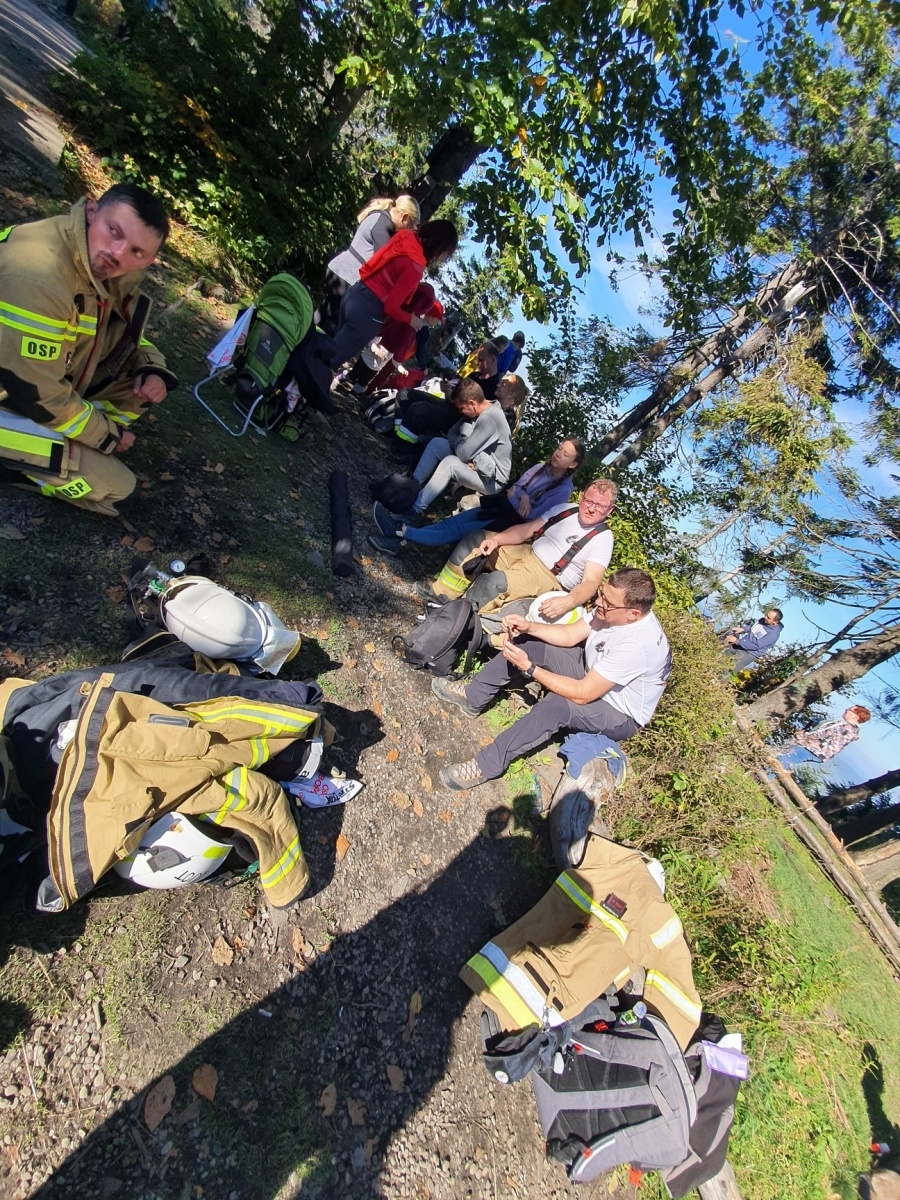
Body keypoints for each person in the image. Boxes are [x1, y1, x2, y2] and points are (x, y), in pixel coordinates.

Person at [0, 183, 176, 517]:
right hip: (26, 394)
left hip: (29, 382)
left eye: (137, 252)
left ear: (150, 260)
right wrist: (106, 436)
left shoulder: (95, 267)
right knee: (120, 493)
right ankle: (20, 465)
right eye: (114, 231)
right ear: (92, 211)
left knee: (142, 390)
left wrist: (150, 366)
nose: (119, 253)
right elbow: (42, 397)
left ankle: (58, 445)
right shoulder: (40, 275)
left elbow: (119, 334)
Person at [432, 567, 672, 790]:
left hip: (618, 712)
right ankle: (473, 697)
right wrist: (529, 627)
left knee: (557, 706)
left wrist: (530, 669)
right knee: (530, 644)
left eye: (608, 602)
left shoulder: (638, 645)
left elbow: (583, 694)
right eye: (601, 594)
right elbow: (570, 634)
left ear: (633, 614)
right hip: (592, 671)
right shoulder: (611, 612)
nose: (599, 602)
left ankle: (487, 765)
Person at [419, 478, 617, 620]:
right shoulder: (566, 509)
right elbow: (527, 530)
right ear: (582, 498)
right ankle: (440, 595)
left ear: (609, 510)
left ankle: (451, 619)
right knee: (476, 539)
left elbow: (591, 582)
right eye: (589, 501)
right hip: (526, 553)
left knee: (495, 583)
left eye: (599, 506)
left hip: (548, 578)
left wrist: (570, 601)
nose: (591, 508)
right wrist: (497, 540)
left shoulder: (603, 539)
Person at [369, 436, 586, 556]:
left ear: (573, 464)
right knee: (451, 523)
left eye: (565, 454)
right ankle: (400, 536)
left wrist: (519, 496)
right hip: (497, 505)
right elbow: (515, 488)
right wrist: (522, 496)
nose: (558, 454)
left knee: (455, 530)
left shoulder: (563, 489)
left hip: (506, 522)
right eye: (559, 448)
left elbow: (531, 517)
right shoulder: (541, 467)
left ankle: (399, 532)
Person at [329, 220, 459, 371]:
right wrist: (412, 320)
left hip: (355, 294)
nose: (442, 259)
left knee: (329, 348)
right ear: (439, 247)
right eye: (445, 254)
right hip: (368, 313)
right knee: (329, 362)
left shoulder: (406, 236)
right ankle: (296, 390)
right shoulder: (415, 266)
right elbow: (391, 307)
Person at [390, 378, 512, 518]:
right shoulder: (477, 409)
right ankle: (410, 488)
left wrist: (464, 441)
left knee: (450, 464)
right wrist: (463, 443)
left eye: (461, 408)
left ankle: (413, 511)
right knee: (437, 444)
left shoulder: (489, 418)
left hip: (490, 479)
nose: (460, 412)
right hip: (474, 461)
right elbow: (452, 432)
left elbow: (464, 453)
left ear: (472, 403)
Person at [315, 195, 420, 338]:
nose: (410, 231)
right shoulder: (384, 224)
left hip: (341, 271)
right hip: (347, 277)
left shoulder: (379, 216)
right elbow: (384, 261)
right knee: (328, 331)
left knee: (322, 319)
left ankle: (298, 348)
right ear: (404, 217)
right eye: (411, 226)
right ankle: (305, 354)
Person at [775, 705, 871, 770]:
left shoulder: (844, 726)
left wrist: (800, 735)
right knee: (783, 760)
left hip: (812, 749)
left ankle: (763, 781)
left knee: (780, 761)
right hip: (820, 754)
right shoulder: (853, 730)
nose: (846, 709)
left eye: (849, 710)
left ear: (855, 716)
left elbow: (821, 734)